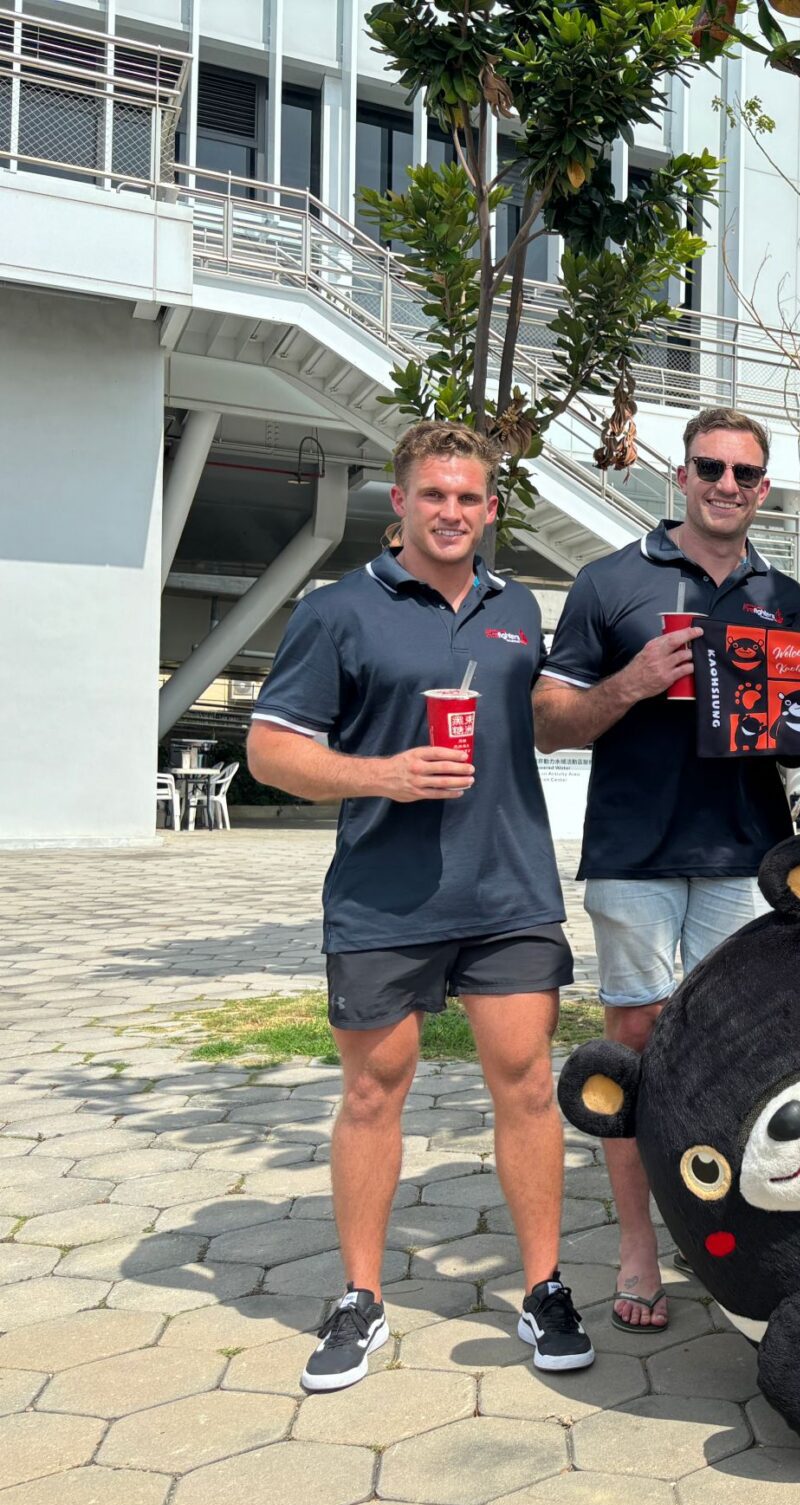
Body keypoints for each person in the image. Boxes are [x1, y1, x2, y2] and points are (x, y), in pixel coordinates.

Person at [248, 420, 591, 1391]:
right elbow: (270, 751)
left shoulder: (516, 608)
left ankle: (543, 1289)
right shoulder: (337, 611)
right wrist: (382, 773)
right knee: (372, 1092)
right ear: (398, 502)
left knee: (527, 1085)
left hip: (510, 890)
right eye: (433, 494)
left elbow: (546, 721)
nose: (451, 511)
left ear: (491, 508)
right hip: (383, 898)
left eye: (468, 496)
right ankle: (360, 1298)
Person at [533, 406, 800, 1334]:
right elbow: (548, 722)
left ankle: (726, 1236)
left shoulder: (784, 596)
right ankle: (639, 1247)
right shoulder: (610, 581)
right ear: (679, 475)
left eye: (744, 473)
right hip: (635, 852)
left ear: (762, 488)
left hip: (746, 852)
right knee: (635, 1046)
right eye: (710, 468)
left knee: (743, 1051)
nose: (727, 485)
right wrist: (633, 682)